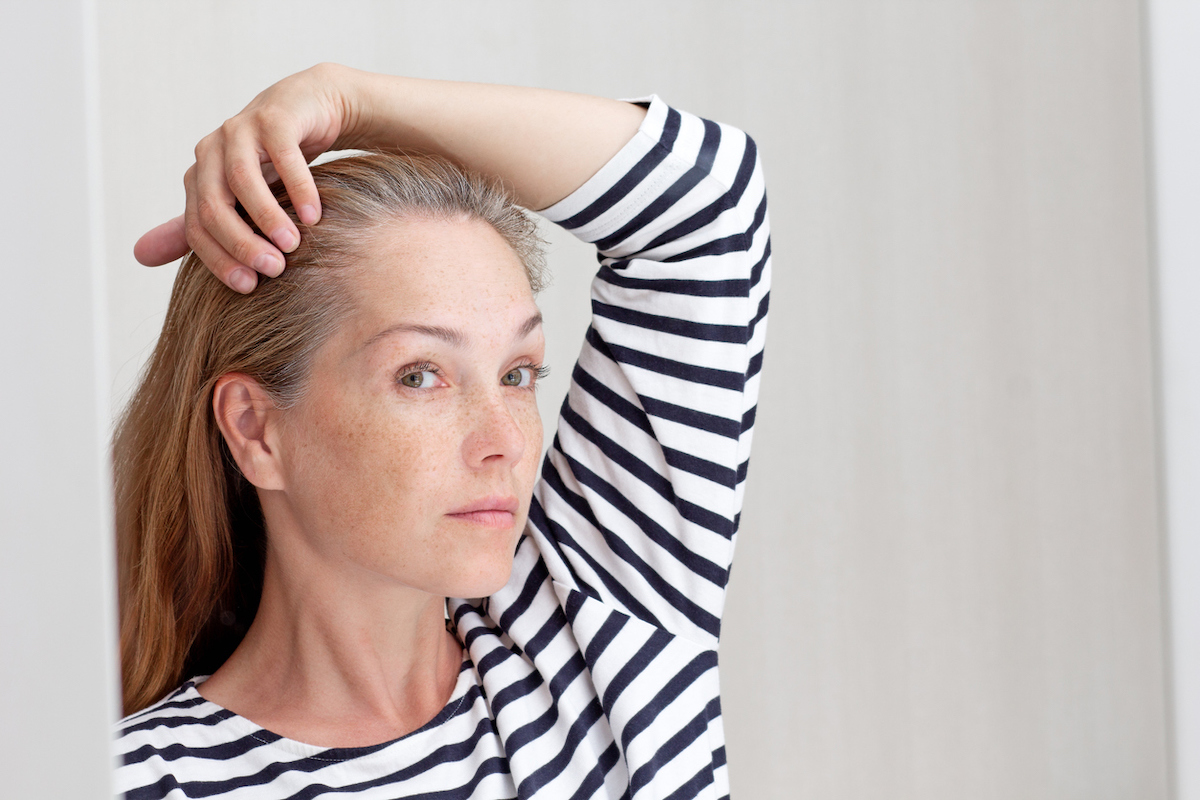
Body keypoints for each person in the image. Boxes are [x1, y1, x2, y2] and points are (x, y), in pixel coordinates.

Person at [113, 64, 770, 800]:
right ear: (256, 430)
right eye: (421, 375)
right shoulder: (139, 781)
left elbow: (708, 207)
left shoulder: (601, 636)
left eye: (518, 373)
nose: (507, 442)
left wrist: (348, 100)